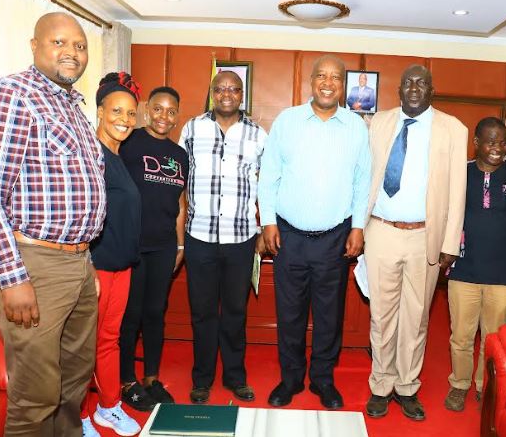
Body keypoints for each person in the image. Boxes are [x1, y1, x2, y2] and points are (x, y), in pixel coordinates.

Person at [0, 12, 105, 436]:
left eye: (79, 46)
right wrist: (12, 277)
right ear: (34, 45)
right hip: (32, 264)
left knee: (74, 379)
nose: (71, 52)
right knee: (36, 393)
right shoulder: (12, 95)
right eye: (59, 42)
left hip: (76, 264)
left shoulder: (74, 108)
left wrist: (85, 264)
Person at [258, 54, 371, 410]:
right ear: (311, 81)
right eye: (321, 75)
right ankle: (291, 379)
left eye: (335, 77)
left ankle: (323, 379)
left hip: (335, 238)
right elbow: (269, 174)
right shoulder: (287, 121)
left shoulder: (355, 127)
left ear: (343, 85)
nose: (327, 82)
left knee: (329, 315)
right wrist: (268, 221)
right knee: (289, 313)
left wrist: (358, 227)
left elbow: (362, 181)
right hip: (288, 236)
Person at [363, 64, 467, 421]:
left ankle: (406, 387)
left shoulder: (453, 129)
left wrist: (450, 241)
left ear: (431, 90)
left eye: (422, 83)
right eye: (408, 82)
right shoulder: (378, 123)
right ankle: (381, 385)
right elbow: (364, 175)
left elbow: (458, 189)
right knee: (381, 316)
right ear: (399, 89)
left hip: (426, 236)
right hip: (380, 231)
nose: (414, 88)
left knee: (417, 317)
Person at [178, 71, 267, 405]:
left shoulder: (258, 134)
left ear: (242, 95)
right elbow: (179, 180)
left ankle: (235, 377)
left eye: (234, 89)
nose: (227, 94)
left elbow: (267, 185)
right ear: (212, 93)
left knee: (234, 312)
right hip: (199, 236)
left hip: (241, 237)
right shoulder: (192, 128)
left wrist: (263, 228)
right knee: (202, 313)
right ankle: (202, 379)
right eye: (220, 88)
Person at [444, 117, 506, 412]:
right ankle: (459, 384)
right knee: (461, 336)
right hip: (464, 270)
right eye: (491, 142)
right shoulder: (460, 173)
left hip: (503, 274)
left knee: (494, 338)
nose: (498, 148)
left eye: (503, 142)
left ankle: (486, 386)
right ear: (476, 143)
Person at [80, 72, 142, 437]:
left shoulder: (118, 156)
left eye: (131, 113)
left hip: (121, 266)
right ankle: (79, 416)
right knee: (83, 346)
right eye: (117, 111)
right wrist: (87, 265)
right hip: (96, 266)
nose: (125, 119)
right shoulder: (91, 154)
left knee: (108, 341)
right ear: (100, 111)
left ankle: (108, 407)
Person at [118, 86, 188, 410]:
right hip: (131, 245)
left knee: (155, 313)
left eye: (171, 111)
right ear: (147, 110)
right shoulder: (128, 142)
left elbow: (180, 203)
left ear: (177, 117)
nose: (164, 116)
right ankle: (126, 381)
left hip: (163, 246)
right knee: (130, 314)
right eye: (158, 109)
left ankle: (151, 378)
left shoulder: (179, 155)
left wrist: (180, 243)